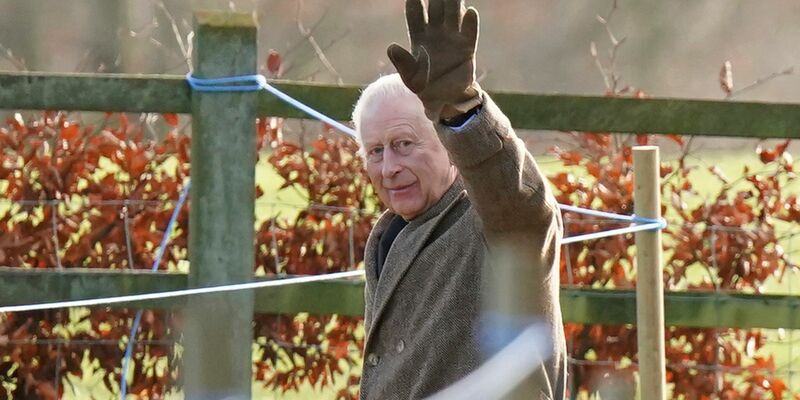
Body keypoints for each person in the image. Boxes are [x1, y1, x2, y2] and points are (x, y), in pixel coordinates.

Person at [351, 0, 566, 398]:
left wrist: (459, 110)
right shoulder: (391, 237)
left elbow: (519, 203)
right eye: (375, 151)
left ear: (449, 144)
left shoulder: (491, 222)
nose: (388, 167)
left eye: (404, 144)